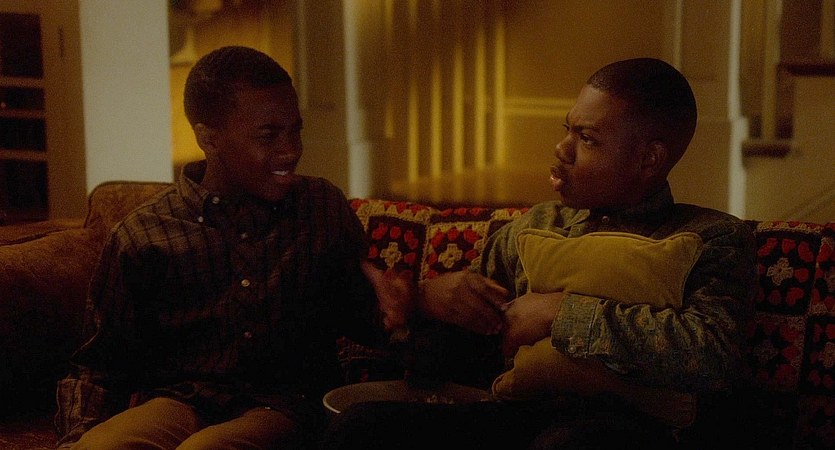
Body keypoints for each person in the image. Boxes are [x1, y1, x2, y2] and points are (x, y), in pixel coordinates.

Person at [321, 57, 758, 449]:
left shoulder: (710, 237)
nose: (561, 149)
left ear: (649, 160)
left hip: (628, 430)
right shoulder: (536, 228)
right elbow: (455, 364)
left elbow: (713, 354)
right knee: (360, 426)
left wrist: (560, 313)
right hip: (517, 416)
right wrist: (420, 307)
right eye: (567, 129)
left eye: (587, 139)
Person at [54, 46, 407, 449]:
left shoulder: (319, 207)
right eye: (268, 135)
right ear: (209, 138)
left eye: (295, 131)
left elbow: (364, 317)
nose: (290, 150)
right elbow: (98, 365)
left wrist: (400, 311)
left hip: (285, 407)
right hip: (180, 402)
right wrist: (75, 439)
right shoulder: (144, 235)